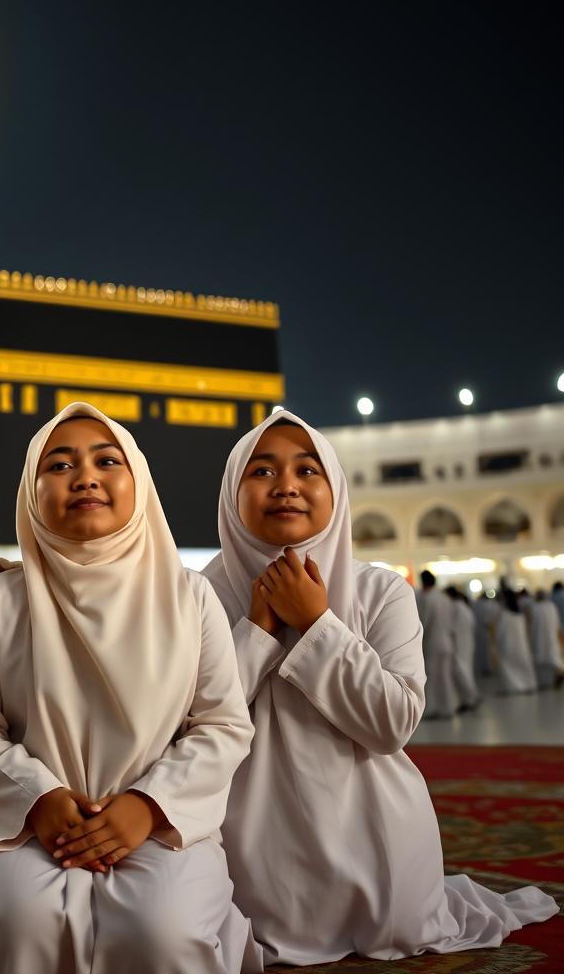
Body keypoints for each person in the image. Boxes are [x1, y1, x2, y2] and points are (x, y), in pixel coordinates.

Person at [202, 410, 558, 966]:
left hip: (371, 827)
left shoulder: (380, 591)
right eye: (262, 471)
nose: (288, 486)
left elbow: (392, 724)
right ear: (231, 491)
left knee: (394, 919)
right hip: (244, 842)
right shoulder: (199, 596)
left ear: (336, 489)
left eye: (308, 470)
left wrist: (318, 623)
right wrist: (259, 633)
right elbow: (185, 724)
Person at [0, 402, 259, 974]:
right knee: (20, 925)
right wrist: (37, 798)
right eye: (58, 465)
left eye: (106, 461)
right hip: (28, 827)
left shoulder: (189, 598)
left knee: (160, 932)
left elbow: (222, 724)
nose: (85, 476)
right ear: (31, 494)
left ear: (137, 479)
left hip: (160, 825)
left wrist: (147, 805)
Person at [417, 570, 457, 719]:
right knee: (445, 677)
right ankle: (448, 708)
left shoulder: (427, 598)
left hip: (433, 643)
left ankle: (432, 709)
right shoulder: (445, 598)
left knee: (431, 678)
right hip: (447, 642)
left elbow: (424, 622)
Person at [495, 589, 537, 694]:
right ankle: (527, 685)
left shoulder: (503, 613)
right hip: (520, 644)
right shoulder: (519, 613)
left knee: (509, 666)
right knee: (522, 664)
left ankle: (513, 687)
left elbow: (499, 630)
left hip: (507, 643)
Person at [446, 587, 481, 710]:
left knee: (461, 670)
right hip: (466, 643)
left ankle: (471, 697)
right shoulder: (463, 607)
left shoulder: (456, 608)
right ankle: (469, 699)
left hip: (460, 643)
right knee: (464, 670)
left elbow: (452, 627)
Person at [529, 590, 563, 690]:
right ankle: (558, 673)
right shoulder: (551, 607)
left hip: (538, 636)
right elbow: (557, 624)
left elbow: (531, 624)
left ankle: (545, 681)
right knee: (553, 658)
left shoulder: (534, 608)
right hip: (551, 636)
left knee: (540, 659)